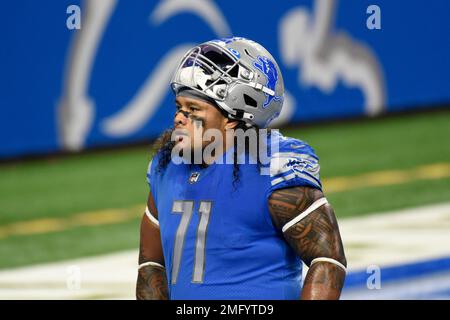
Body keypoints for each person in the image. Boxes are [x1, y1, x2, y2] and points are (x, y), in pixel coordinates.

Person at [136, 37, 346, 300]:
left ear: (232, 119)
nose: (179, 117)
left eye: (194, 109)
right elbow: (151, 264)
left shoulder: (271, 166)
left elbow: (328, 259)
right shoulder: (165, 168)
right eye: (179, 107)